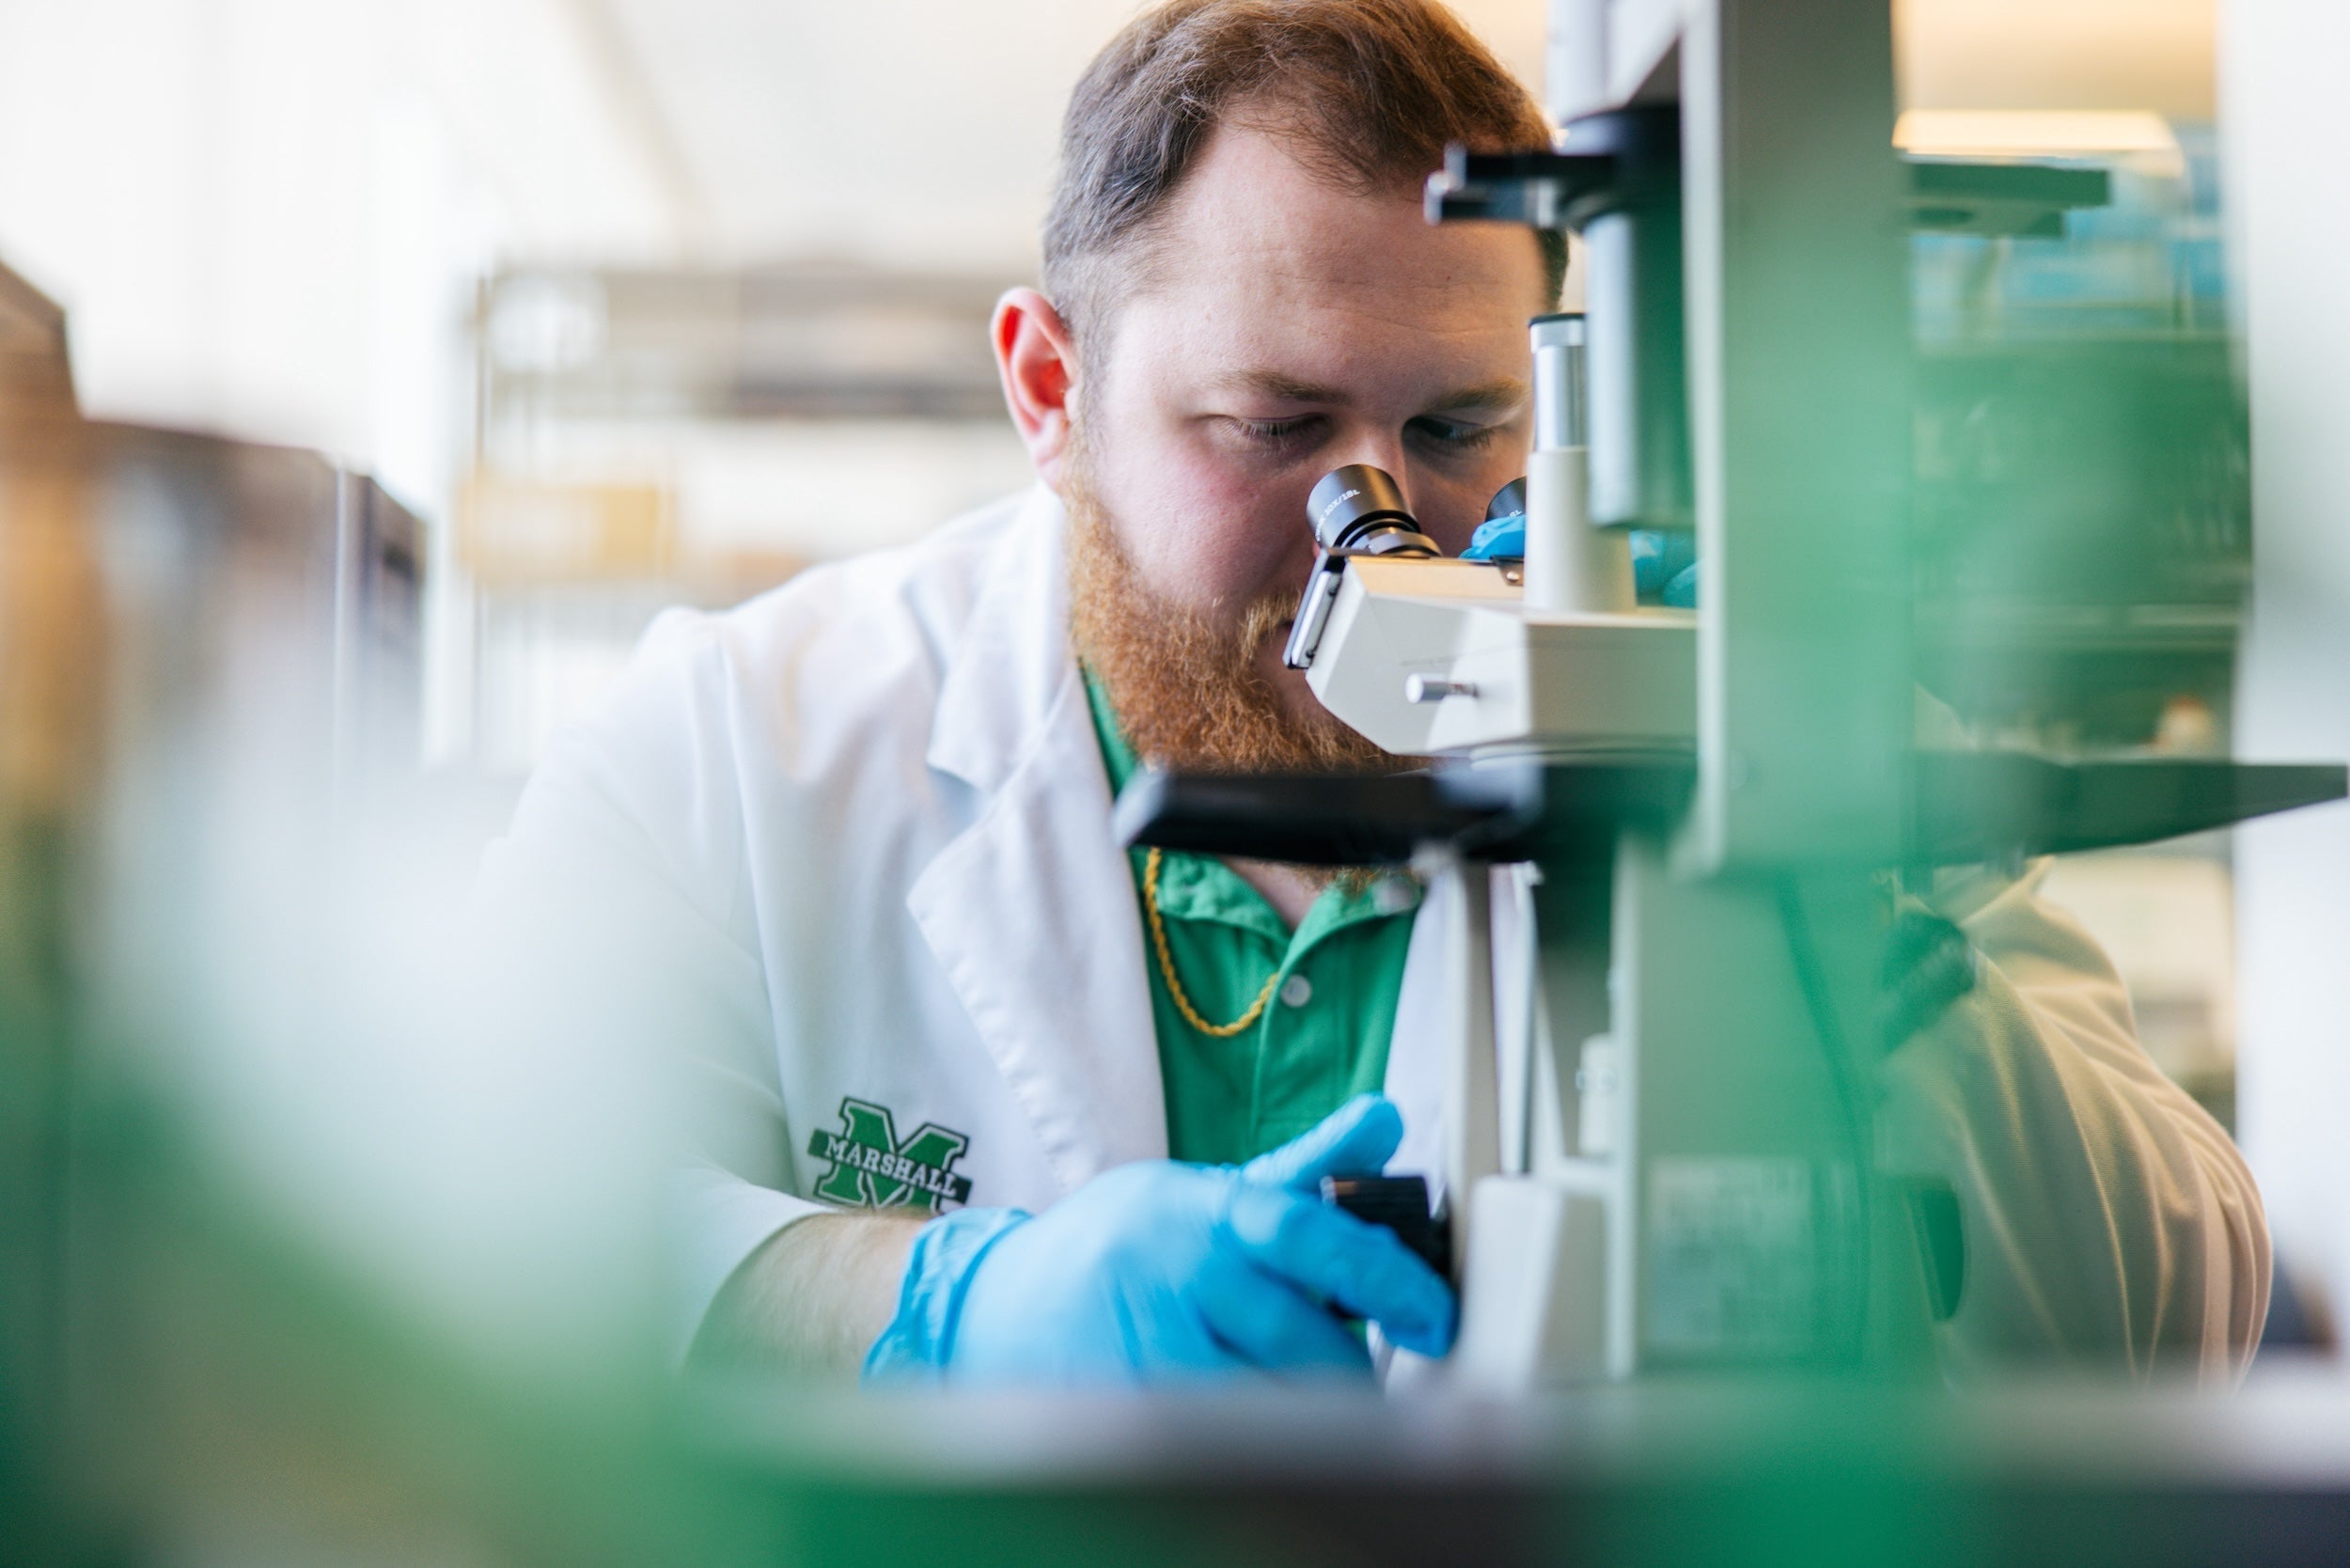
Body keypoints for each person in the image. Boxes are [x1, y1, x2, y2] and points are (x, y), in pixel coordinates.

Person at [476, 0, 2268, 1383]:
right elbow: (452, 1206)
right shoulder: (742, 739)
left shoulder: (1709, 698)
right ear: (1049, 392)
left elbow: (2178, 1295)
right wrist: (943, 1310)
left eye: (1458, 426)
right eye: (1275, 431)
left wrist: (1841, 902)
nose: (1384, 519)